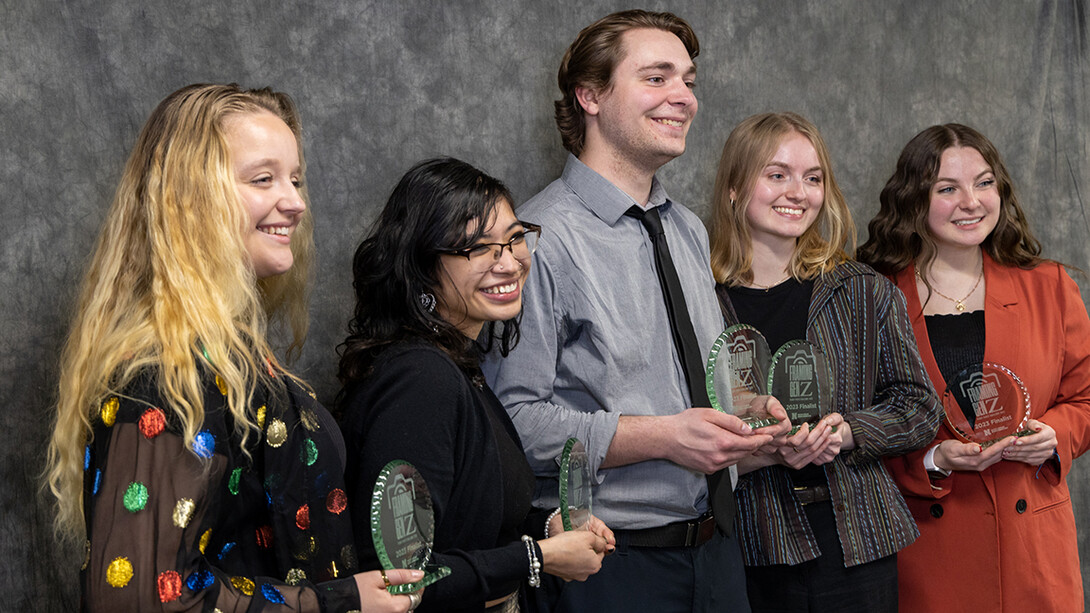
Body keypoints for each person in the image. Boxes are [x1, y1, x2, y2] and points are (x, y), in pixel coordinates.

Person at [45, 83, 419, 612]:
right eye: (263, 178)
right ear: (190, 199)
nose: (295, 202)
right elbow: (137, 601)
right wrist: (335, 603)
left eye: (294, 179)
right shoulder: (165, 377)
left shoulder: (229, 355)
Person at [483, 11, 785, 613]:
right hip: (610, 569)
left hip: (718, 554)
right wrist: (666, 437)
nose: (684, 98)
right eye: (657, 78)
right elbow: (511, 425)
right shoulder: (539, 242)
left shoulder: (688, 230)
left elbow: (695, 380)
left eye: (689, 81)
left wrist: (750, 417)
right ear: (590, 96)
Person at [338, 157, 613, 613]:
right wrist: (538, 557)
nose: (508, 262)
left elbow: (472, 514)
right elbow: (400, 578)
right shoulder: (420, 381)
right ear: (423, 267)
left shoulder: (458, 365)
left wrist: (547, 526)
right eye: (477, 248)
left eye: (513, 239)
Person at [709, 112, 942, 612]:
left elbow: (920, 407)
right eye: (777, 175)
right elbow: (683, 418)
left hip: (858, 542)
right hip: (752, 543)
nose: (798, 192)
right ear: (732, 188)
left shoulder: (862, 289)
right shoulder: (700, 301)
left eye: (813, 178)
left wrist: (848, 432)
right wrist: (761, 452)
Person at [857, 123, 1090, 612]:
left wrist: (1056, 434)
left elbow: (1086, 397)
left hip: (1034, 555)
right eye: (947, 188)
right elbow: (858, 424)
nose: (972, 202)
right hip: (928, 556)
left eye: (984, 183)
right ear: (913, 199)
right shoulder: (874, 298)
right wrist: (932, 461)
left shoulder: (1050, 287)